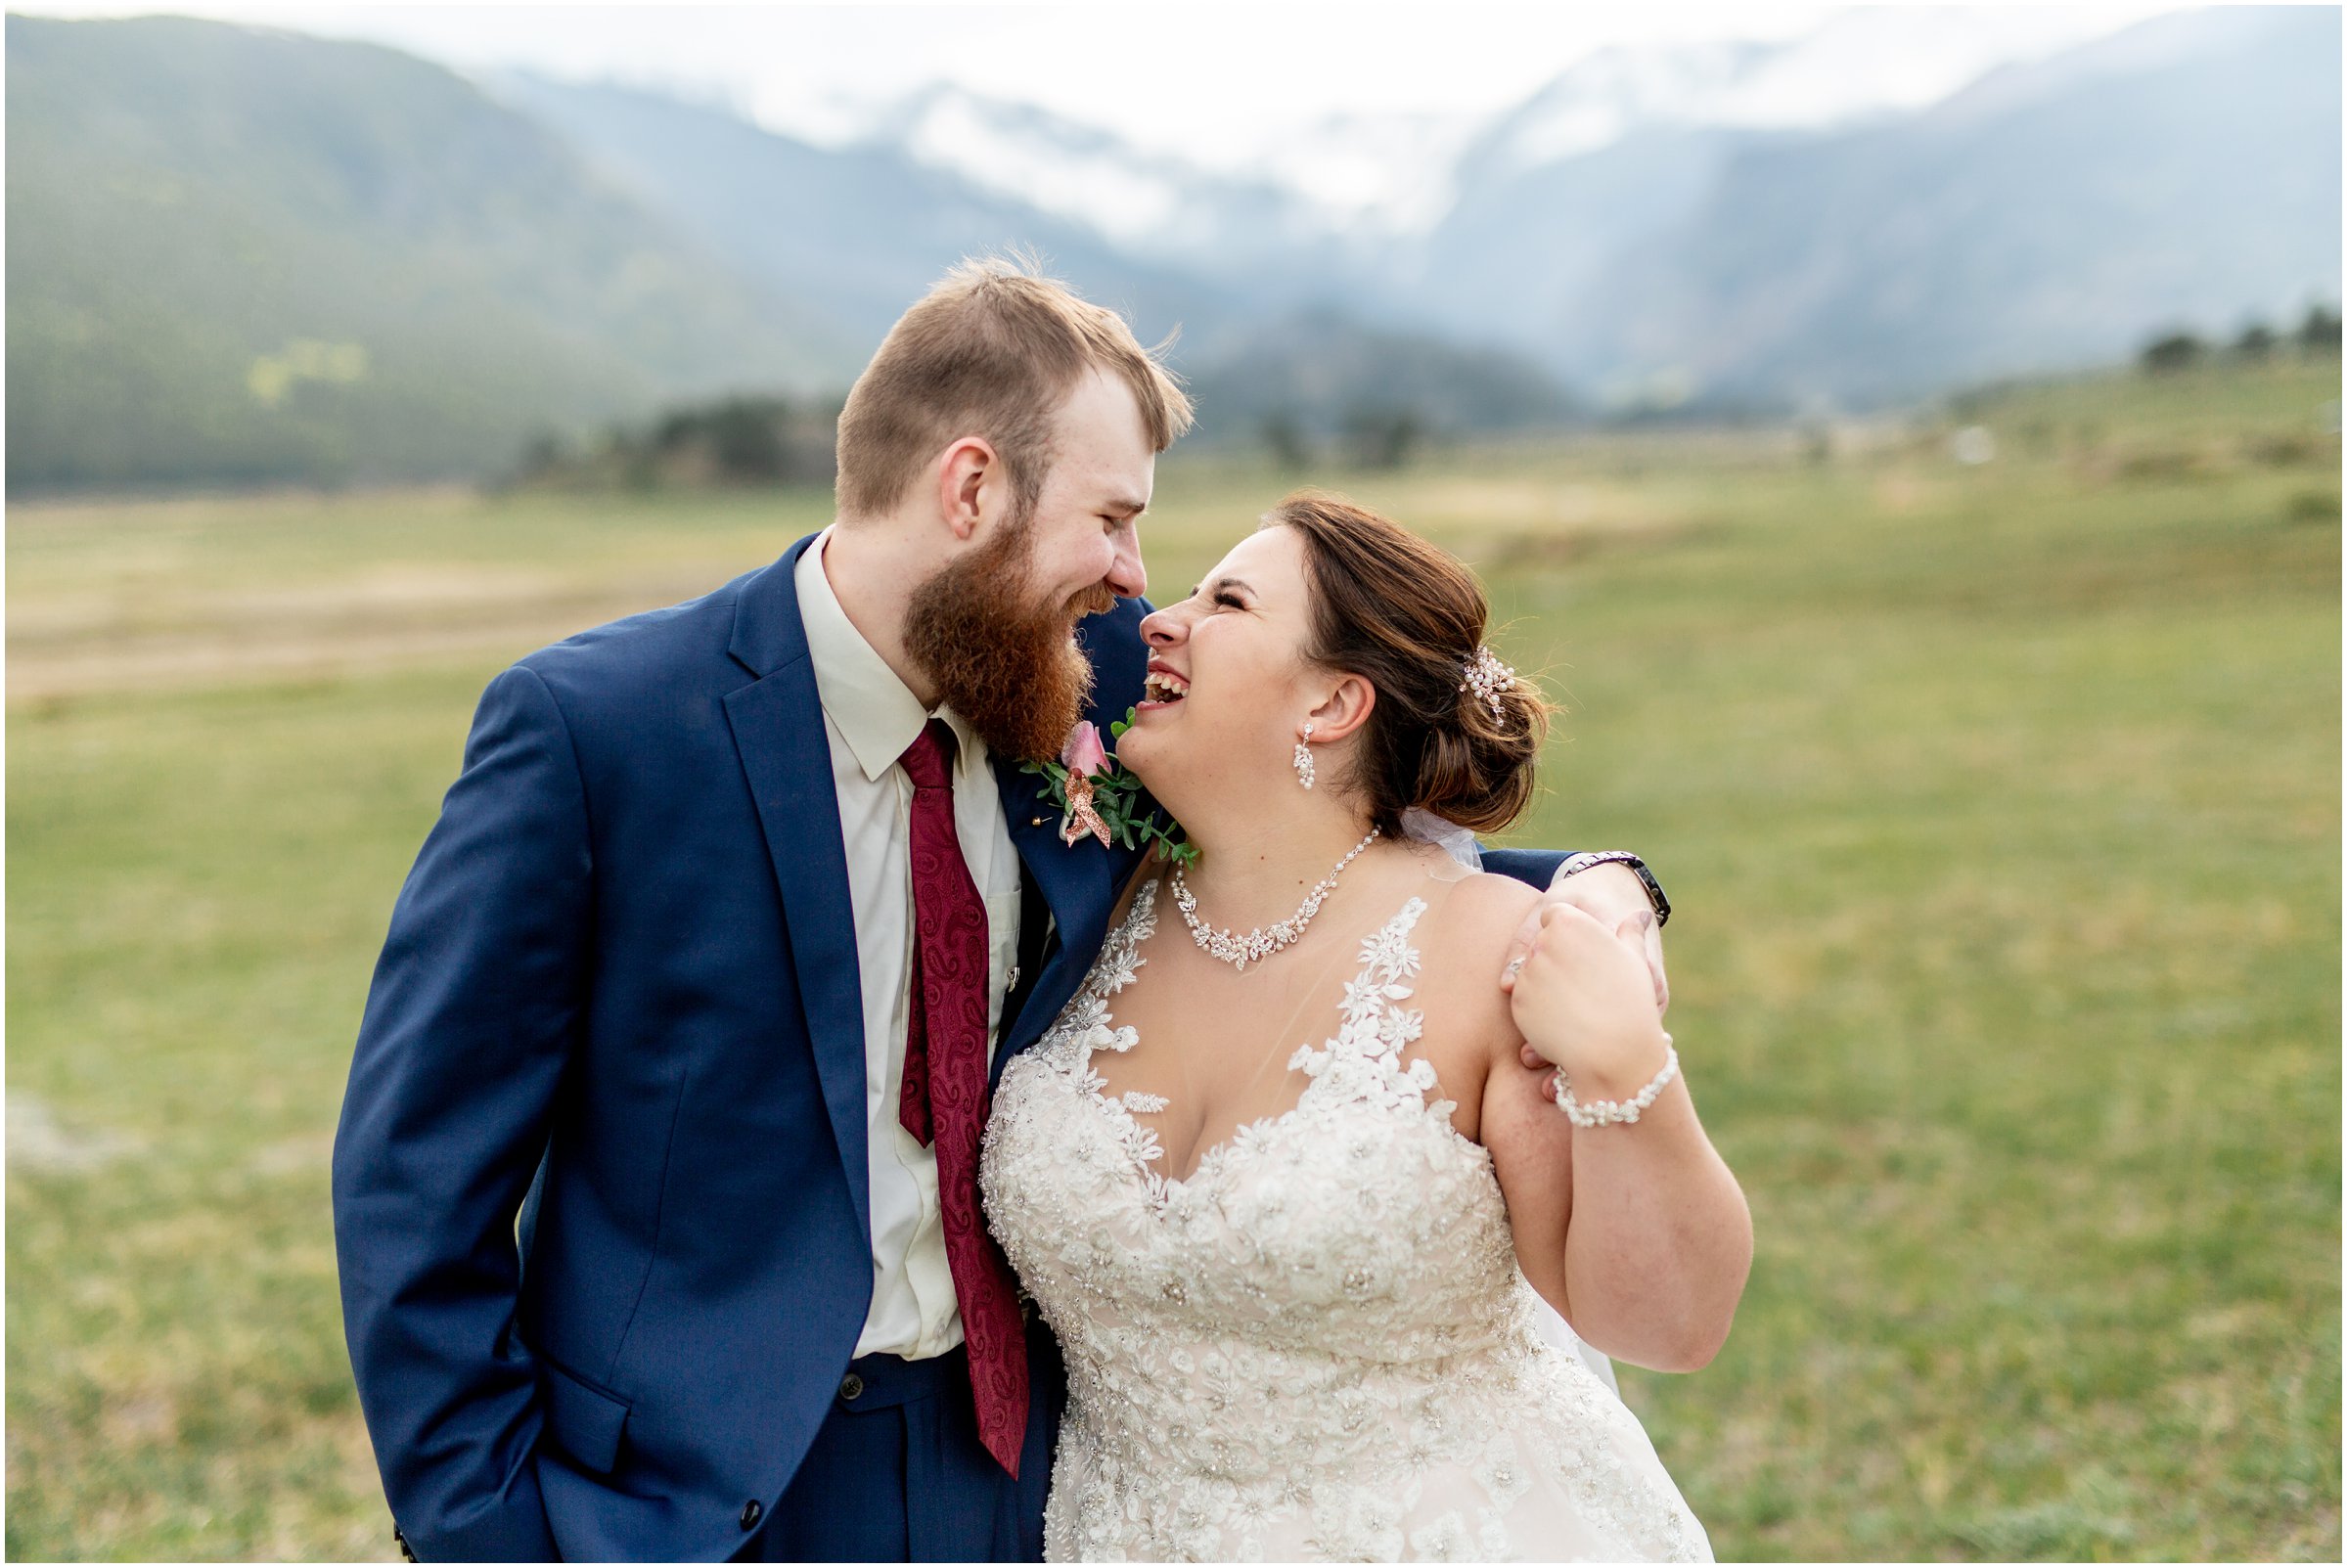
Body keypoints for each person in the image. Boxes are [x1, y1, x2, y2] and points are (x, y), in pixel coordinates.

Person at [332, 259, 1673, 1562]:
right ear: (970, 485)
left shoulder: (1085, 683)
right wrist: (490, 1535)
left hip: (1017, 1479)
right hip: (686, 1502)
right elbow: (418, 1169)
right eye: (1109, 517)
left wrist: (1592, 883)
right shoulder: (599, 730)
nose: (1133, 576)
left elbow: (1321, 833)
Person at [982, 494, 1750, 1561]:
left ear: (1333, 703)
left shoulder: (1491, 958)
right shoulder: (1092, 894)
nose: (1157, 619)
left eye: (1226, 600)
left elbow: (1667, 1324)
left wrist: (1627, 1062)